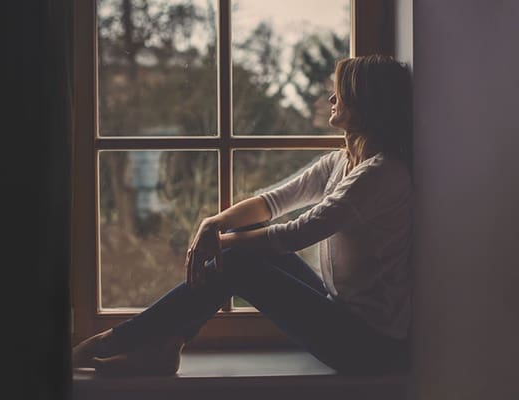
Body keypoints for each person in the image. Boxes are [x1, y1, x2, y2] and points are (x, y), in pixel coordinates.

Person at [73, 54, 413, 376]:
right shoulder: (343, 161)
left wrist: (219, 244)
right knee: (245, 234)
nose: (331, 99)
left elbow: (296, 233)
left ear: (365, 104)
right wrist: (215, 223)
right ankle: (166, 345)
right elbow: (272, 203)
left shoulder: (381, 175)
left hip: (370, 346)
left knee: (238, 261)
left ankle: (122, 338)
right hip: (341, 315)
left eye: (340, 92)